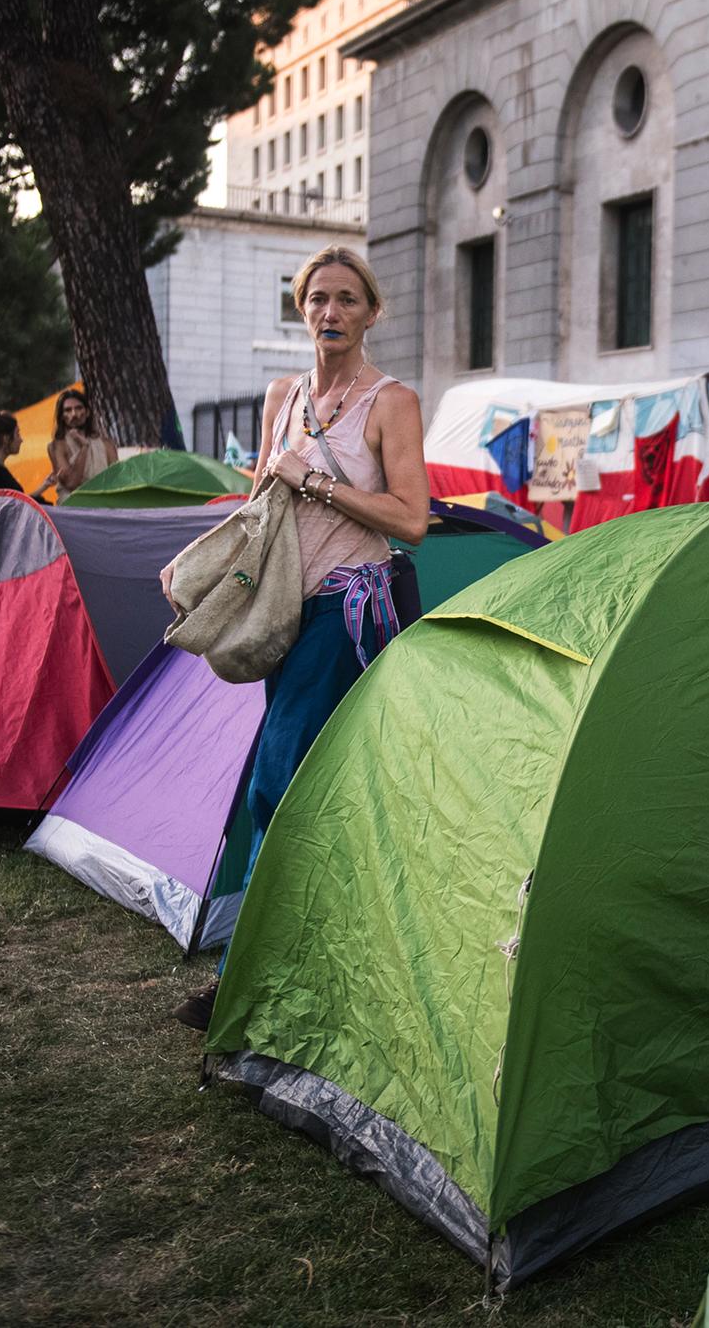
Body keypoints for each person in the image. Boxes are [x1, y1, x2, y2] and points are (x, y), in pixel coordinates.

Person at [166, 245, 430, 1029]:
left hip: (349, 613)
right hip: (283, 611)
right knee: (311, 784)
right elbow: (257, 513)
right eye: (318, 298)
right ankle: (321, 950)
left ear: (372, 311)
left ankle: (244, 978)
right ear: (301, 307)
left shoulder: (392, 402)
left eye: (348, 299)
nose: (331, 313)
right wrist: (202, 572)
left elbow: (413, 518)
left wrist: (313, 479)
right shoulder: (282, 396)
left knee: (274, 784)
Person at [48, 388, 116, 499]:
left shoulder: (106, 444)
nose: (74, 414)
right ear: (62, 416)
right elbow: (71, 484)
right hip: (73, 510)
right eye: (68, 410)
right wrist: (84, 447)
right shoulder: (57, 446)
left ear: (87, 412)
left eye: (78, 408)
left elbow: (115, 481)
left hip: (103, 506)